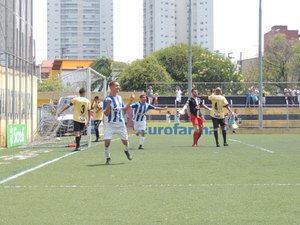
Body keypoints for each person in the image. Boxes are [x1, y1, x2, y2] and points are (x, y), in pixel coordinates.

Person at [103, 81, 134, 165]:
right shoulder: (106, 99)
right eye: (116, 86)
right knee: (107, 142)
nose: (118, 87)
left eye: (118, 86)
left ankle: (126, 151)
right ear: (111, 87)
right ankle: (108, 158)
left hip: (120, 124)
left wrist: (131, 100)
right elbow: (106, 113)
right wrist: (109, 104)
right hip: (110, 124)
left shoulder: (119, 98)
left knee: (125, 142)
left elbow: (124, 109)